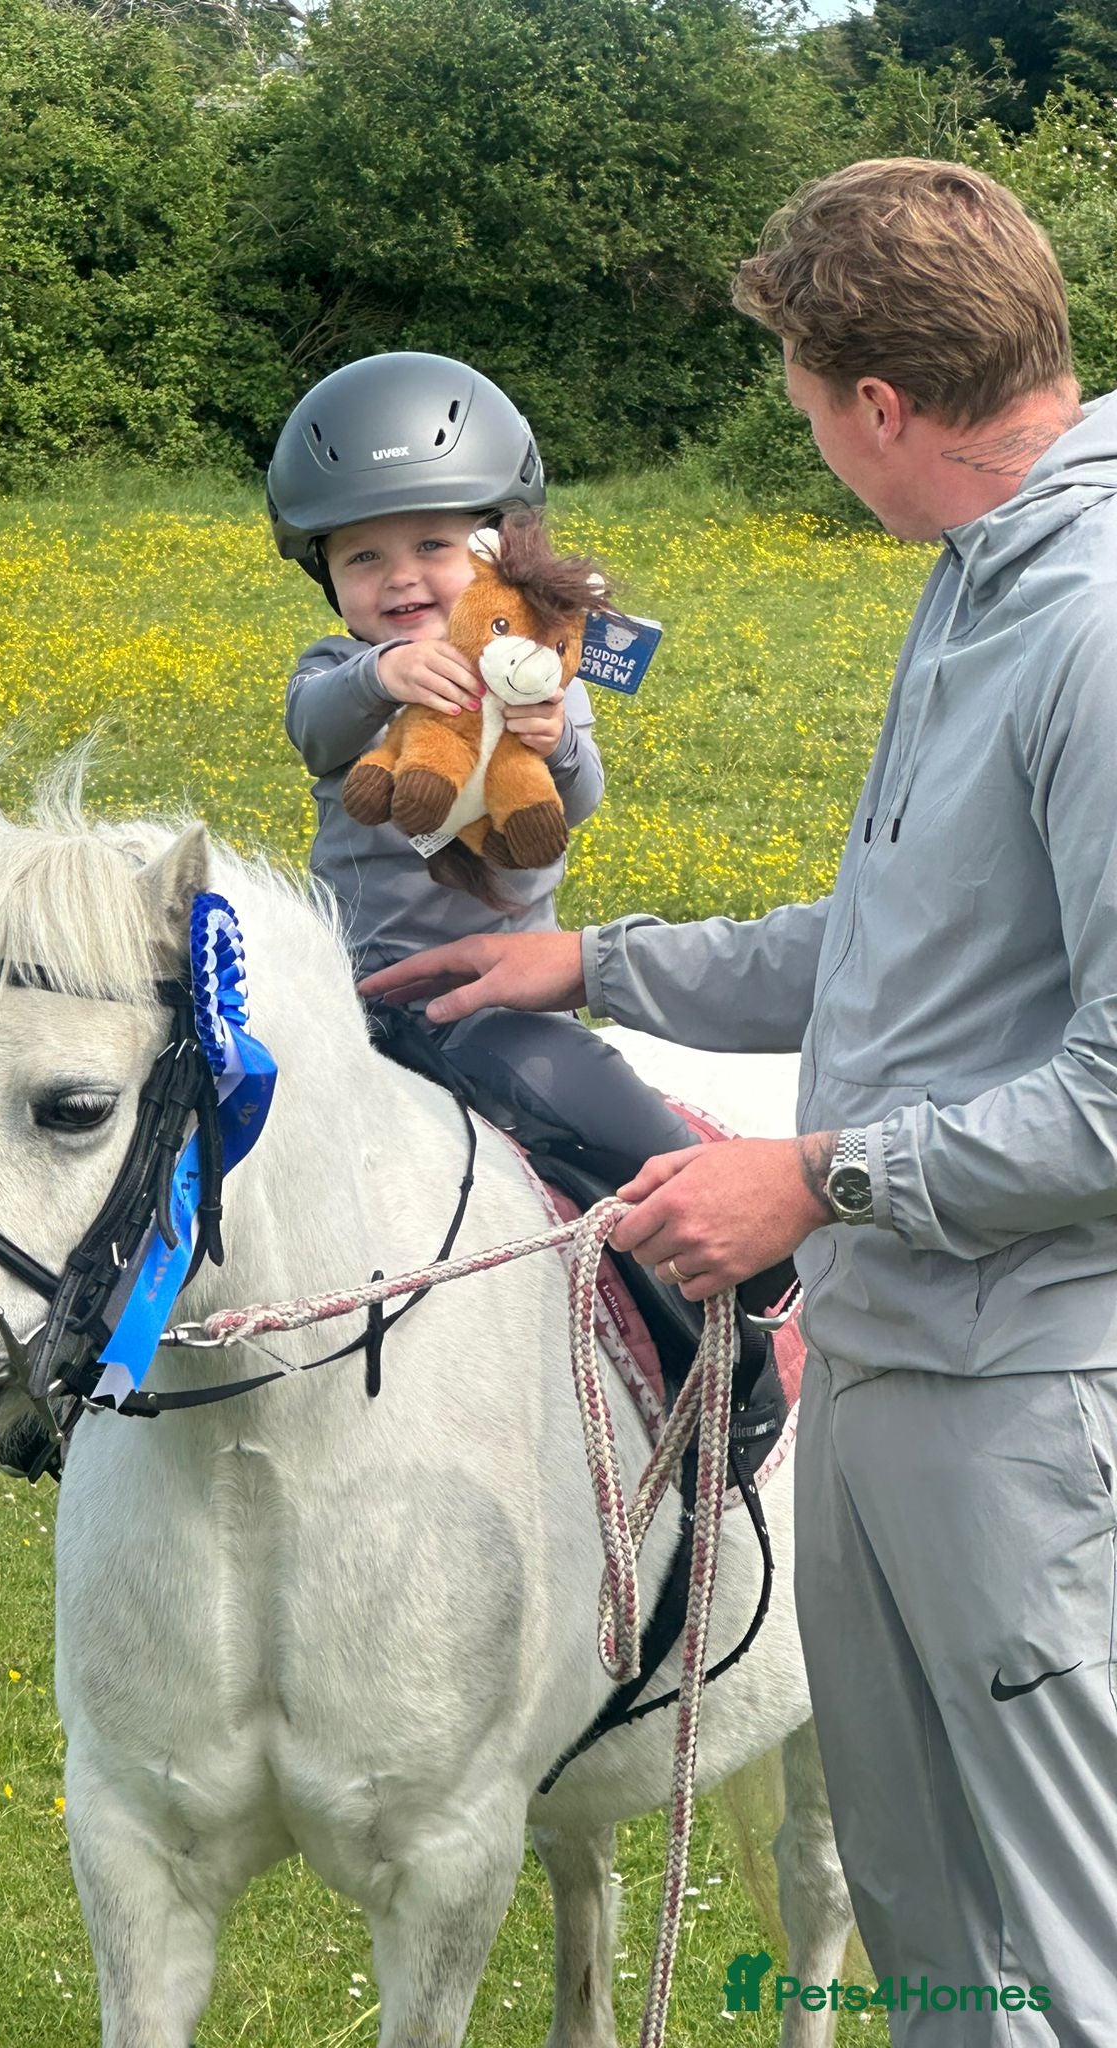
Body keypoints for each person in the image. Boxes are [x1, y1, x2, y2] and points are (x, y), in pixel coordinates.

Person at [361, 161, 1117, 2042]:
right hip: (890, 1359)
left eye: (803, 402)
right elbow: (895, 949)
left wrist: (819, 1179)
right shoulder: (980, 584)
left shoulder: (1095, 627)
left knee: (1056, 1949)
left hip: (1026, 1400)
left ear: (880, 404)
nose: (811, 442)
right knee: (937, 1934)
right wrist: (594, 962)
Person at [267, 350, 693, 1186]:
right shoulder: (340, 667)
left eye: (432, 543)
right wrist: (381, 675)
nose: (400, 577)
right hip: (359, 988)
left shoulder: (535, 668)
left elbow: (575, 801)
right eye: (361, 558)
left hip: (499, 985)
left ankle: (710, 1223)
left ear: (499, 551)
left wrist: (552, 740)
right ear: (326, 575)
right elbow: (313, 730)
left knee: (612, 1113)